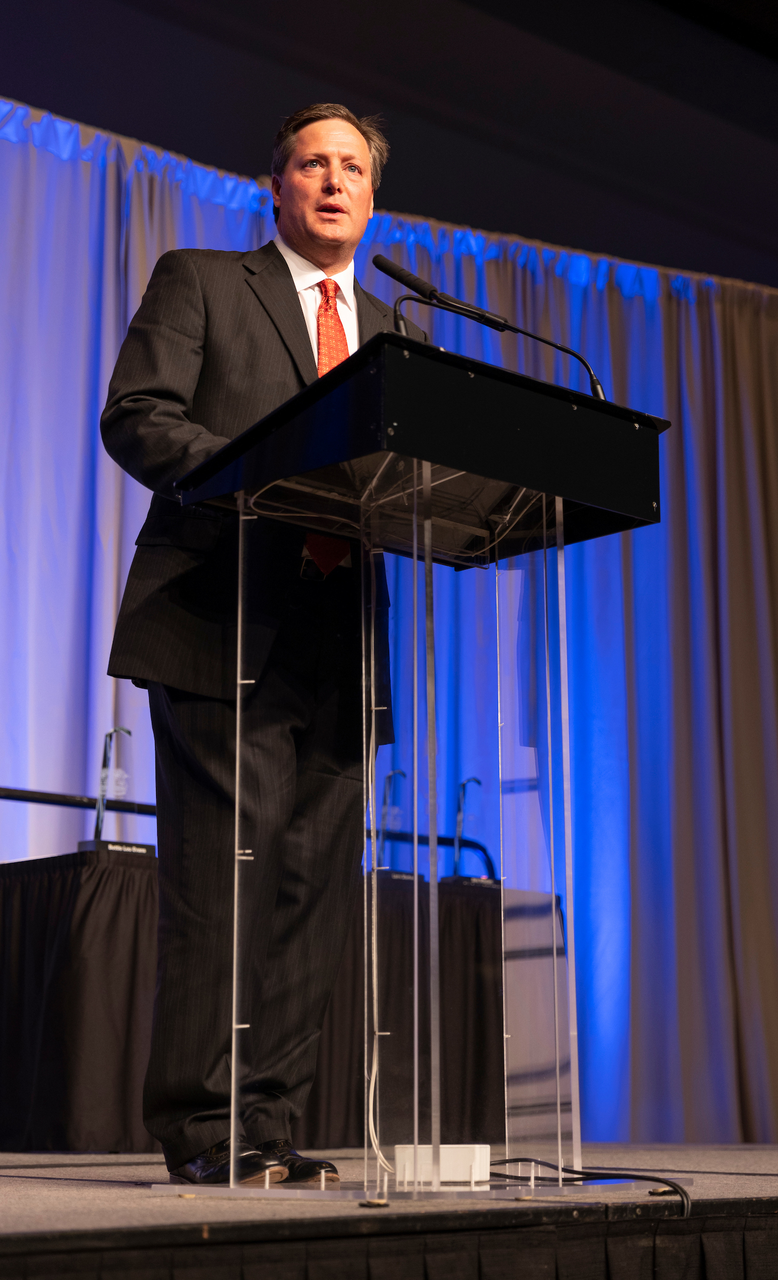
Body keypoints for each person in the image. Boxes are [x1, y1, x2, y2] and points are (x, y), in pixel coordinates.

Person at [101, 104, 426, 1186]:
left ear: (371, 197)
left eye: (350, 167)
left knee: (310, 891)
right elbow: (140, 415)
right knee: (222, 882)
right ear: (275, 186)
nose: (332, 181)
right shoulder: (201, 281)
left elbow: (416, 481)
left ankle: (270, 1127)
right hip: (219, 616)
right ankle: (204, 1130)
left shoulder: (398, 331)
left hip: (342, 641)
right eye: (310, 164)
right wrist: (268, 477)